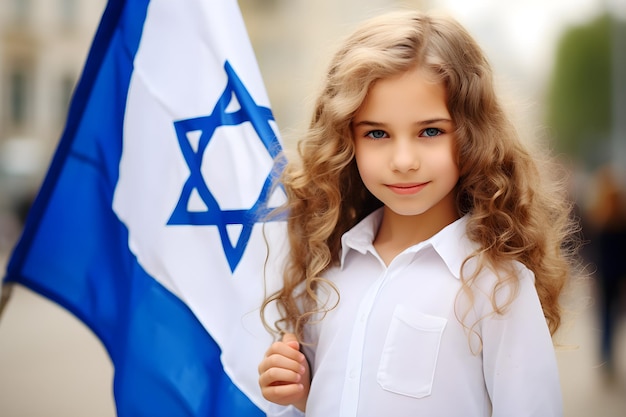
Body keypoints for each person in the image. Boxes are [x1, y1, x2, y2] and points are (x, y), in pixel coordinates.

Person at [258, 9, 578, 417]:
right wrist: (299, 396)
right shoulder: (328, 271)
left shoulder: (498, 288)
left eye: (430, 131)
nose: (404, 160)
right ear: (346, 140)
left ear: (471, 135)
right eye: (377, 133)